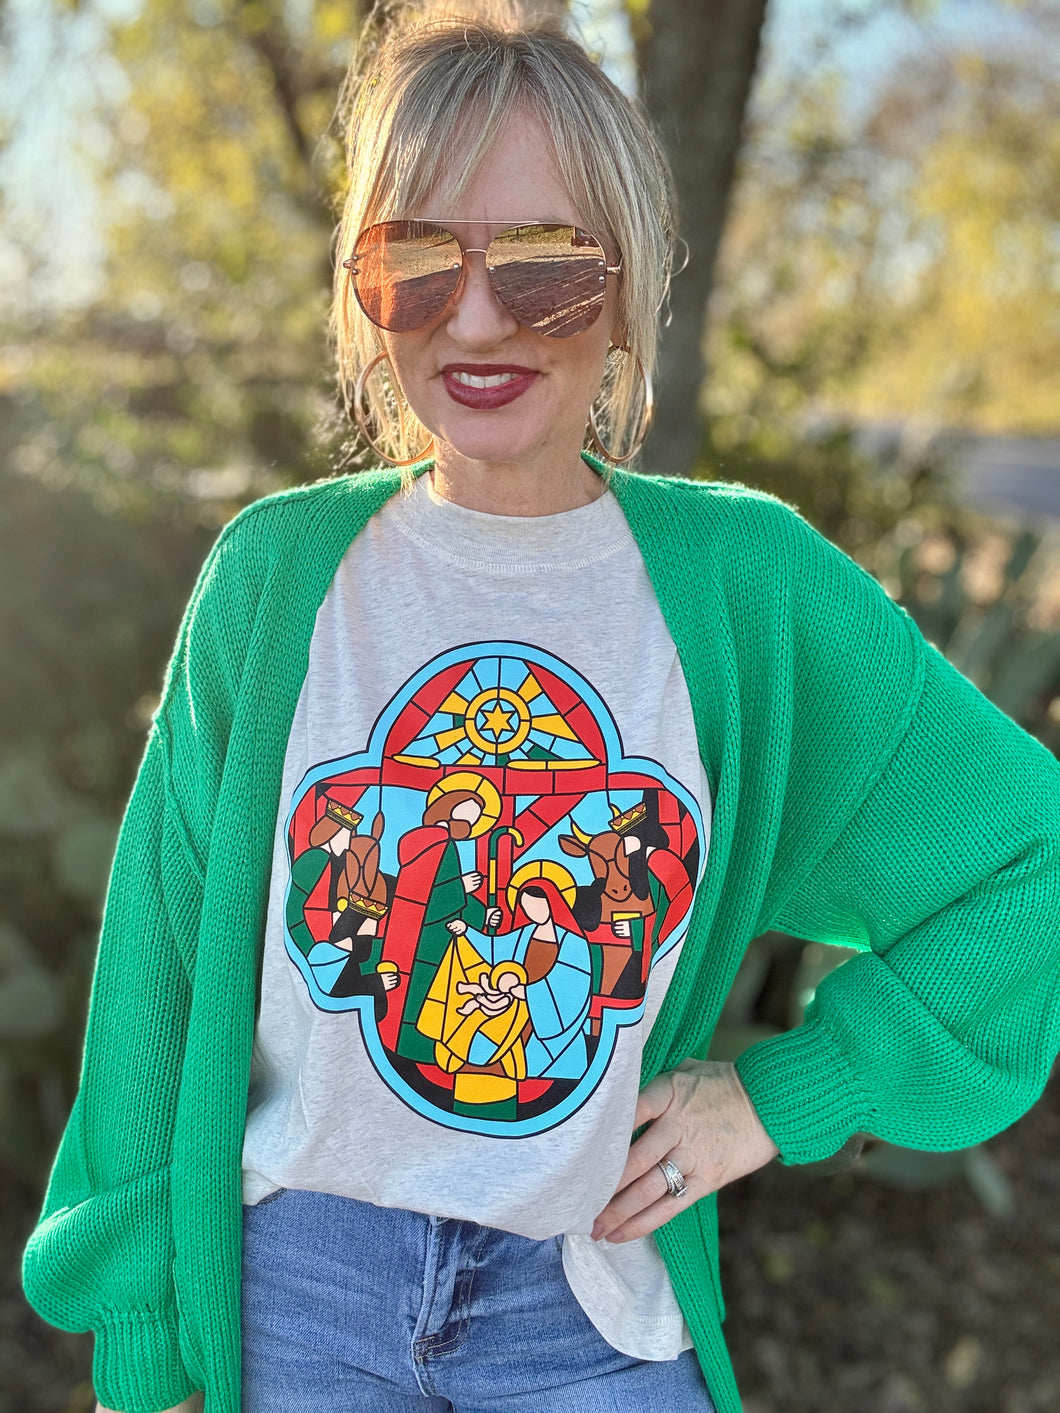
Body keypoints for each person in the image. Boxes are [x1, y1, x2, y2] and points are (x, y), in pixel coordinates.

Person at [22, 2, 1060, 1411]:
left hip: (590, 1313)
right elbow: (154, 985)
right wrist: (143, 1354)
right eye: (413, 264)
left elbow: (1028, 862)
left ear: (628, 284)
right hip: (293, 1298)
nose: (476, 318)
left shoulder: (748, 590)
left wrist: (784, 1095)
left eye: (544, 266)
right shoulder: (274, 578)